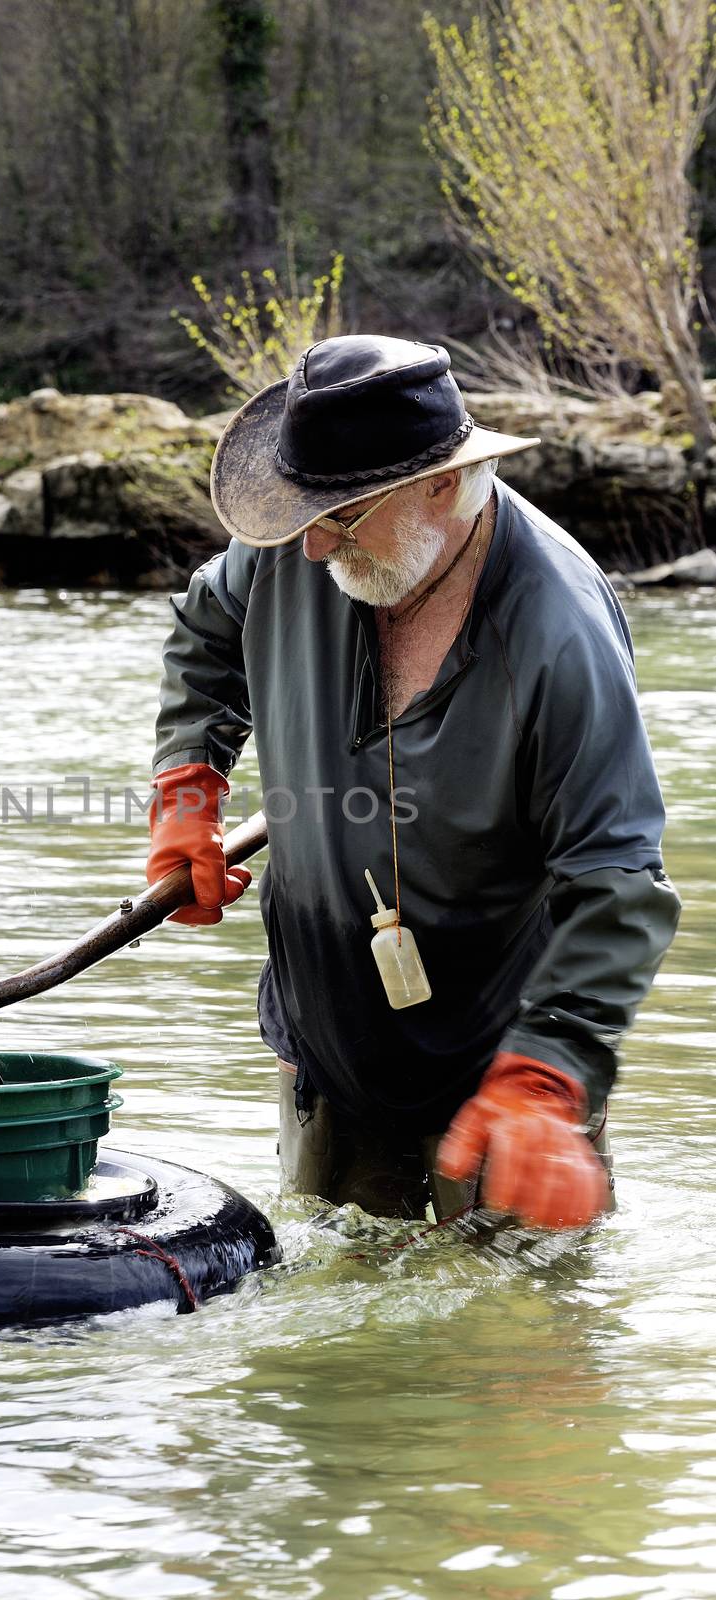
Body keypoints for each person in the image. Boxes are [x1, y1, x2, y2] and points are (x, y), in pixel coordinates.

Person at [146, 335, 680, 1229]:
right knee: (338, 1328)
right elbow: (207, 628)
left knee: (519, 1331)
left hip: (504, 1070)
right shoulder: (297, 533)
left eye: (341, 520)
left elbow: (617, 879)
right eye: (297, 516)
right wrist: (187, 787)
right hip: (324, 1035)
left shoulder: (558, 632)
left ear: (442, 482)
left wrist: (548, 1074)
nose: (309, 550)